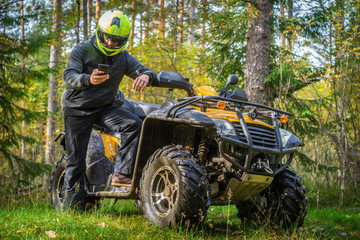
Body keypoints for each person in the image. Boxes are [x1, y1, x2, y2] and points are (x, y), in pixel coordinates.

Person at [62, 9, 156, 211]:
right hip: (77, 110)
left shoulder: (124, 58)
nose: (111, 43)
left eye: (116, 40)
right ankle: (71, 209)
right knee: (76, 162)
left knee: (133, 124)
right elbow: (68, 77)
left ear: (124, 39)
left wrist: (146, 76)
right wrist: (88, 79)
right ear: (100, 32)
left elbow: (145, 70)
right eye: (108, 38)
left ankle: (122, 174)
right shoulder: (83, 49)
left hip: (104, 108)